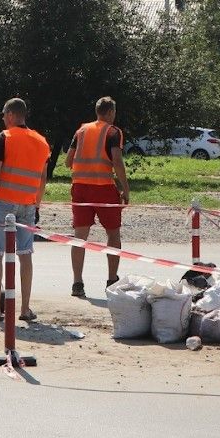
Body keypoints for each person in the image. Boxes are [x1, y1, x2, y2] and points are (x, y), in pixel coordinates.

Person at [0, 97, 49, 323]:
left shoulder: (5, 137)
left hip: (3, 204)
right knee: (25, 254)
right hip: (28, 205)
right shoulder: (42, 142)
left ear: (10, 115)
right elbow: (42, 178)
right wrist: (37, 204)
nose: (2, 119)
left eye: (3, 115)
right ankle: (25, 310)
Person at [65, 95, 129, 297]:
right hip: (104, 188)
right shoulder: (113, 132)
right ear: (110, 112)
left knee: (80, 237)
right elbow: (117, 161)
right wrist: (125, 188)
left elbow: (68, 161)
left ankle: (77, 283)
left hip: (81, 189)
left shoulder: (81, 131)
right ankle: (111, 280)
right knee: (113, 234)